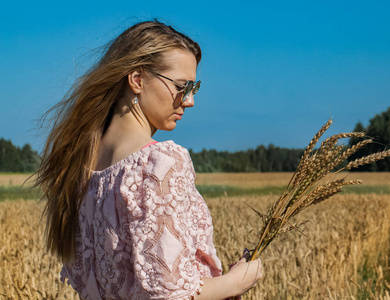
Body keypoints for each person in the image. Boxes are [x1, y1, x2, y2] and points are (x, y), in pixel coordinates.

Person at [36, 20, 263, 299]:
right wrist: (236, 282)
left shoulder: (81, 164)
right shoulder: (160, 161)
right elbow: (171, 295)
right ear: (137, 80)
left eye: (194, 87)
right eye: (182, 86)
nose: (189, 100)